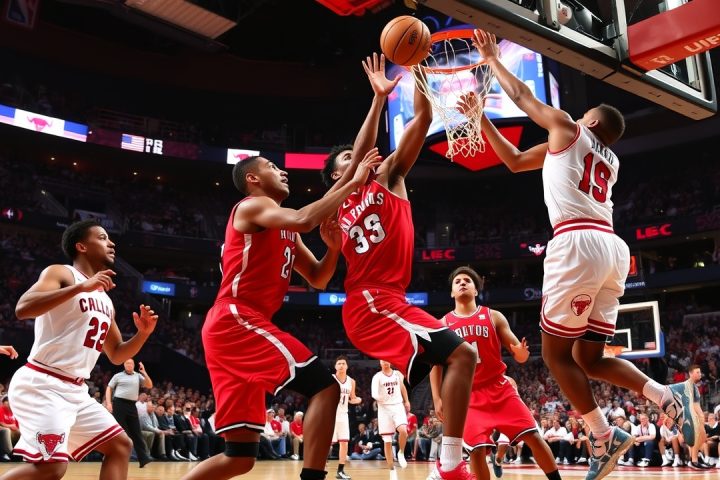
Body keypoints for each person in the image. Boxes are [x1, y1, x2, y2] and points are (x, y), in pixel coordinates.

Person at [470, 28, 701, 480]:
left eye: (583, 114)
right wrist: (481, 119)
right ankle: (665, 395)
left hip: (576, 243)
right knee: (589, 359)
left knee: (556, 356)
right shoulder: (606, 159)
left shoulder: (568, 129)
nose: (576, 116)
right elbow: (515, 160)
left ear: (590, 123)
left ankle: (601, 433)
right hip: (611, 248)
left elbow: (523, 96)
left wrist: (493, 60)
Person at [180, 147, 381, 480]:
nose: (283, 172)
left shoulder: (283, 225)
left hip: (235, 326)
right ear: (253, 178)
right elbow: (305, 219)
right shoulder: (252, 206)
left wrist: (333, 250)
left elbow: (318, 277)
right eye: (273, 167)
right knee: (326, 387)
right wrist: (354, 181)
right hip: (236, 318)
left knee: (240, 458)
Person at [322, 52, 477, 480]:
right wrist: (377, 100)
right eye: (345, 162)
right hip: (367, 303)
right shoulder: (331, 209)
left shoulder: (389, 175)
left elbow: (423, 119)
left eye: (356, 156)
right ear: (335, 177)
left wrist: (418, 69)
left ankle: (448, 462)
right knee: (462, 354)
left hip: (391, 300)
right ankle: (450, 463)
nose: (357, 160)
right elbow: (355, 161)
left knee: (463, 358)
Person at [0, 219, 157, 480]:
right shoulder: (61, 273)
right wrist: (81, 287)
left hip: (75, 389)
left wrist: (143, 334)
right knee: (52, 468)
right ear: (81, 246)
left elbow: (117, 353)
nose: (111, 243)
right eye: (103, 238)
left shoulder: (105, 299)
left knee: (121, 446)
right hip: (42, 383)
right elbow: (23, 308)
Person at [429, 266, 561, 480]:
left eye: (467, 281)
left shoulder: (493, 316)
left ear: (475, 290)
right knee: (477, 451)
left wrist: (521, 353)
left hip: (499, 388)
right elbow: (435, 365)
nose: (462, 283)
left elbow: (519, 355)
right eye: (457, 281)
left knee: (533, 436)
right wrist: (437, 398)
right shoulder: (443, 324)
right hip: (467, 397)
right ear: (452, 292)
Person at [105, 358, 154, 467]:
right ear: (124, 365)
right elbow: (109, 388)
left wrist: (144, 372)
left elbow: (149, 385)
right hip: (119, 404)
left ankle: (144, 458)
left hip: (132, 405)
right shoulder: (118, 376)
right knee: (120, 432)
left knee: (136, 432)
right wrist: (108, 403)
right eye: (127, 363)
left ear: (133, 365)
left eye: (131, 363)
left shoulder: (138, 376)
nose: (129, 365)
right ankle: (115, 456)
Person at [371, 360, 411, 471]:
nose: (385, 362)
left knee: (403, 431)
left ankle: (401, 452)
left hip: (397, 405)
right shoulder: (377, 377)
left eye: (387, 360)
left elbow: (402, 387)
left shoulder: (397, 374)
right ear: (380, 362)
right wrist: (381, 398)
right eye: (383, 360)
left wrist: (406, 401)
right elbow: (374, 394)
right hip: (384, 408)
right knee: (387, 440)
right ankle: (391, 469)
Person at [332, 356, 362, 479]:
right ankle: (321, 467)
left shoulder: (351, 381)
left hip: (344, 415)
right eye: (339, 363)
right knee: (328, 444)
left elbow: (352, 398)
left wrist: (357, 400)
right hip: (331, 414)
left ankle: (340, 471)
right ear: (335, 366)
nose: (341, 365)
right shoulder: (331, 379)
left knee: (344, 443)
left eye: (343, 363)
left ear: (347, 366)